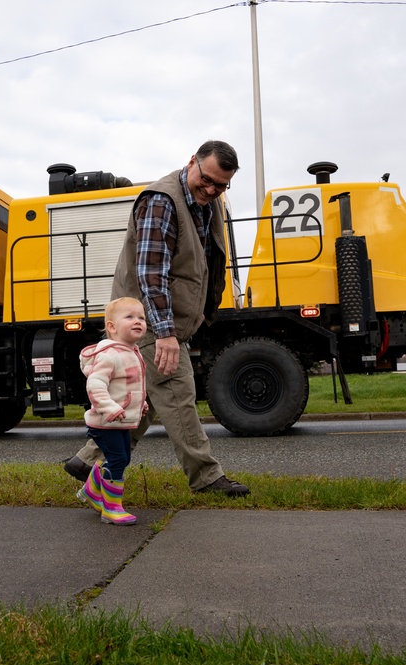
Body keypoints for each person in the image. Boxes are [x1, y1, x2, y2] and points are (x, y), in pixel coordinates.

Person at [64, 140, 250, 497]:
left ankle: (88, 460)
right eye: (207, 179)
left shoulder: (204, 205)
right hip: (147, 322)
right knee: (178, 393)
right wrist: (165, 333)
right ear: (192, 161)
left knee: (142, 402)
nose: (211, 189)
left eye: (221, 185)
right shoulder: (163, 201)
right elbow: (151, 273)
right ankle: (207, 478)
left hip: (161, 322)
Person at [76, 297, 149, 526]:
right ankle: (111, 508)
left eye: (141, 317)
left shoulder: (132, 352)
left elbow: (129, 387)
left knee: (123, 457)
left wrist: (140, 404)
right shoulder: (110, 355)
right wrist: (110, 408)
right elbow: (95, 386)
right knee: (117, 460)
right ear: (111, 327)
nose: (137, 321)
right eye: (129, 317)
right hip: (105, 421)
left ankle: (91, 489)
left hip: (120, 420)